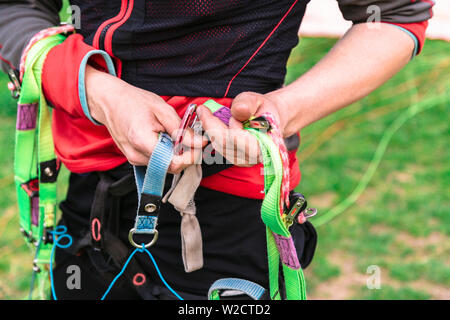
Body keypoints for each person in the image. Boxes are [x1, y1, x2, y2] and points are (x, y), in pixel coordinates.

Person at [0, 0, 433, 300]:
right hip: (88, 200)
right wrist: (96, 90)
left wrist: (282, 110)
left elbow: (395, 14)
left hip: (230, 216)